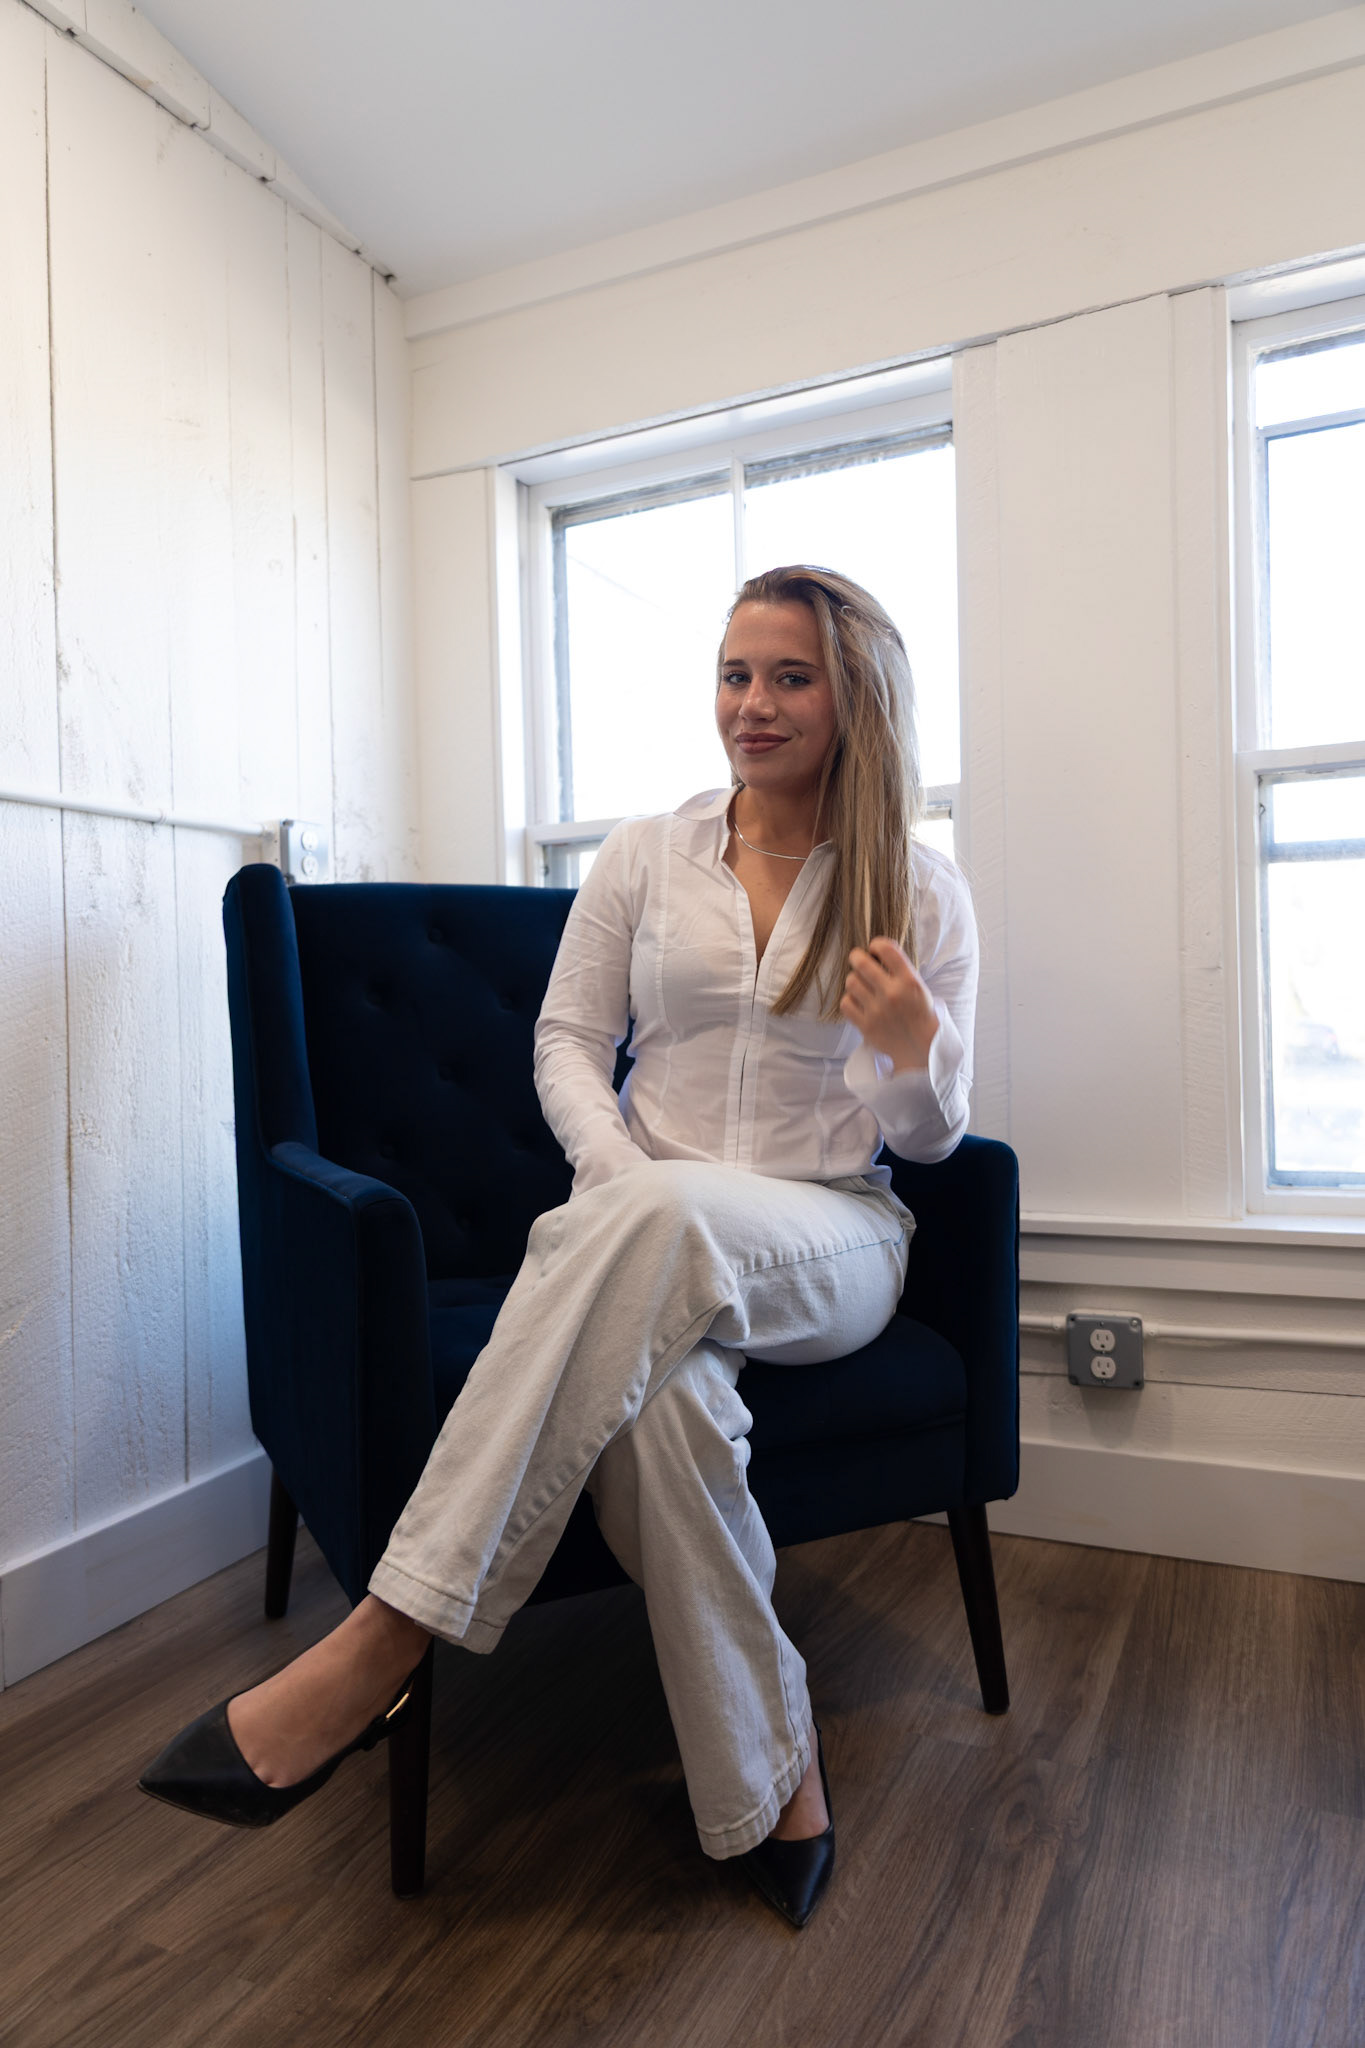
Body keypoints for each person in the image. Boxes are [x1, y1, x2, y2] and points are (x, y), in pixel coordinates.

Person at [140, 564, 979, 1929]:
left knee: (659, 1228)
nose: (752, 705)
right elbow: (567, 1042)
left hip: (830, 1240)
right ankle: (775, 1777)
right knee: (668, 1418)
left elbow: (933, 1143)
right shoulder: (648, 854)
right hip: (641, 1220)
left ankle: (386, 1635)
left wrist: (909, 1051)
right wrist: (622, 1179)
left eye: (790, 678)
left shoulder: (921, 893)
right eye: (735, 674)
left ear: (857, 701)